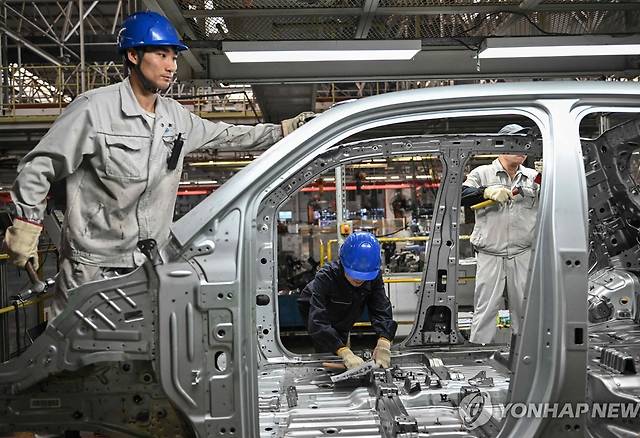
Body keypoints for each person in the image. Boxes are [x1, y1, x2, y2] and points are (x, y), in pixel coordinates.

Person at [1, 11, 311, 314]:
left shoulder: (174, 118)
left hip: (148, 268)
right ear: (134, 56)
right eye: (162, 55)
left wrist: (286, 129)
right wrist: (27, 224)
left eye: (174, 57)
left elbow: (229, 135)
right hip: (92, 270)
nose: (171, 66)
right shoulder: (93, 110)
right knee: (81, 360)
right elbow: (39, 167)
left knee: (146, 360)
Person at [461, 124, 540, 344]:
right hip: (490, 254)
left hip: (523, 254)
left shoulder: (534, 178)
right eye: (517, 143)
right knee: (486, 310)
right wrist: (485, 191)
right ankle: (477, 355)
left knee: (526, 310)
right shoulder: (482, 173)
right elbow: (460, 194)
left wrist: (552, 174)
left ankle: (526, 355)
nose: (523, 149)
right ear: (502, 146)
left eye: (526, 145)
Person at [297, 232, 397, 369]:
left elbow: (381, 308)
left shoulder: (374, 275)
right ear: (343, 262)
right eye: (354, 273)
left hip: (346, 307)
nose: (359, 280)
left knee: (342, 335)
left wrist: (384, 341)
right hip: (315, 308)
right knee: (329, 349)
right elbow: (318, 321)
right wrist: (344, 352)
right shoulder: (326, 276)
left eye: (364, 276)